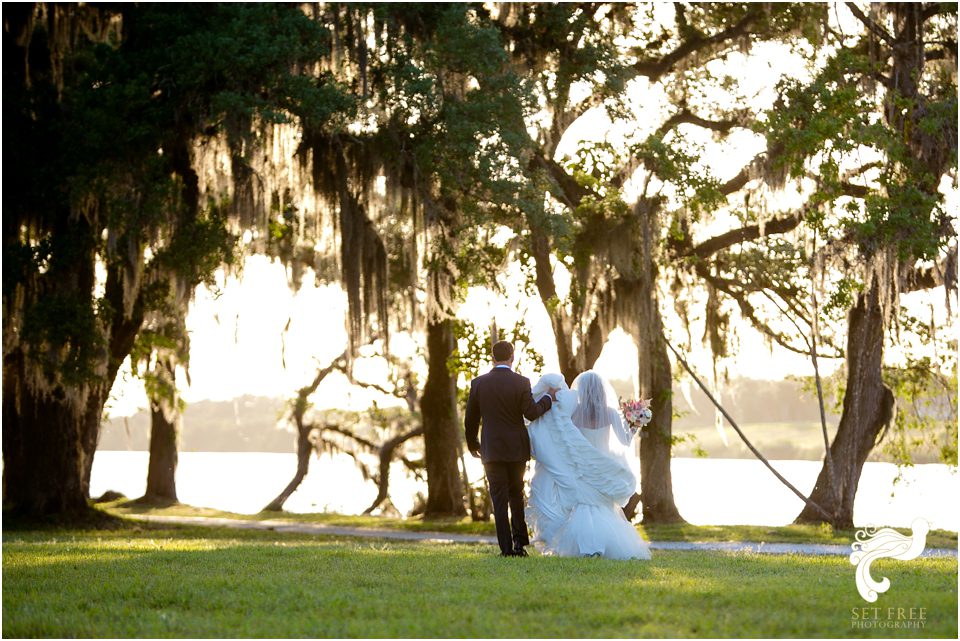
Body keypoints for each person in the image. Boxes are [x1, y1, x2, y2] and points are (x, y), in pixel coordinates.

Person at [526, 370, 651, 560]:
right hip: (603, 467)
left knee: (584, 504)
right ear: (602, 391)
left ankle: (586, 546)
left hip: (582, 466)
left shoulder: (574, 413)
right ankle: (606, 545)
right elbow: (625, 440)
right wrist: (635, 424)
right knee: (603, 506)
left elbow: (566, 436)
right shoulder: (610, 413)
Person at [464, 340, 556, 557]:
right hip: (516, 450)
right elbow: (531, 413)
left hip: (492, 451)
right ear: (512, 357)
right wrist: (548, 399)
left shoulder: (478, 383)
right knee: (516, 495)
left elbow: (471, 420)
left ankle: (506, 549)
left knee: (498, 500)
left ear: (492, 358)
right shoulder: (521, 382)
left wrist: (472, 445)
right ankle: (519, 544)